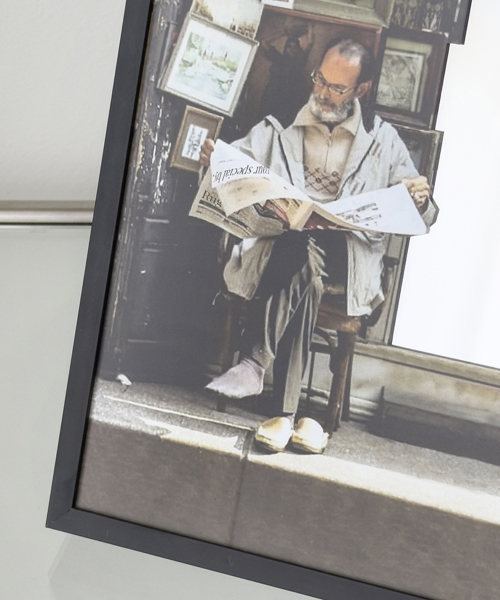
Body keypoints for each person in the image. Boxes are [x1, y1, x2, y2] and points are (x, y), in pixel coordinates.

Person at [200, 38, 436, 454]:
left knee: (306, 250)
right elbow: (235, 162)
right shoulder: (279, 127)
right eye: (320, 80)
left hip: (348, 257)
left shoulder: (383, 140)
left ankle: (255, 362)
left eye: (337, 88)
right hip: (282, 250)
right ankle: (285, 415)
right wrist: (213, 159)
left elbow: (425, 214)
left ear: (361, 89)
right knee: (304, 263)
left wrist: (419, 199)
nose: (323, 93)